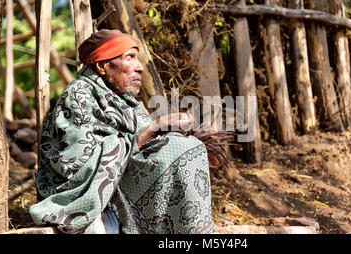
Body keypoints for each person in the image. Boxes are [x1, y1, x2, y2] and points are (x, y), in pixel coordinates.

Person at [29, 29, 215, 234]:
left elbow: (145, 149)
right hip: (88, 196)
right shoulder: (78, 94)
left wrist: (169, 131)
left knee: (186, 146)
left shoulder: (127, 102)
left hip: (121, 188)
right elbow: (80, 164)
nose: (140, 68)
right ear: (102, 65)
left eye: (138, 59)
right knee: (181, 148)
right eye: (130, 58)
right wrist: (154, 128)